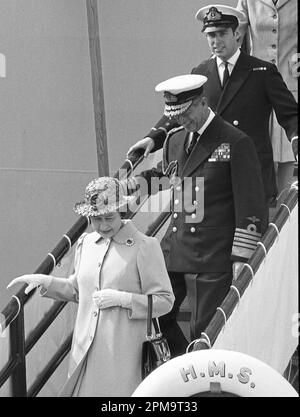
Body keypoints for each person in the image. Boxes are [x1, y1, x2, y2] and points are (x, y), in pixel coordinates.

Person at [125, 74, 268, 357]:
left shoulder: (234, 141)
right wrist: (129, 184)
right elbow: (169, 178)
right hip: (175, 250)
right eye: (175, 116)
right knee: (154, 316)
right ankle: (181, 365)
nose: (181, 121)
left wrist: (241, 258)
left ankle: (198, 380)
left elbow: (251, 204)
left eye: (186, 113)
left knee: (205, 332)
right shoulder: (175, 140)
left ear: (202, 102)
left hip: (213, 257)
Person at [7, 177, 174, 397]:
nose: (103, 225)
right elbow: (78, 290)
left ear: (121, 211)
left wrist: (123, 299)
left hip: (123, 356)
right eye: (96, 219)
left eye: (109, 218)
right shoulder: (86, 244)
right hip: (85, 352)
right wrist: (45, 282)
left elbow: (165, 300)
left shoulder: (145, 246)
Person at [128, 5, 298, 205]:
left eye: (222, 34)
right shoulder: (201, 72)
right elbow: (179, 110)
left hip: (251, 174)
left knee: (253, 234)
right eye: (210, 35)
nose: (216, 42)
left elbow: (290, 115)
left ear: (236, 33)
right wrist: (153, 137)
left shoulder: (262, 71)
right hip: (212, 177)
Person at [236, 0, 298, 195]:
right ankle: (263, 216)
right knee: (258, 151)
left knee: (289, 154)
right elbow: (234, 30)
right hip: (257, 84)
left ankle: (284, 218)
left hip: (289, 84)